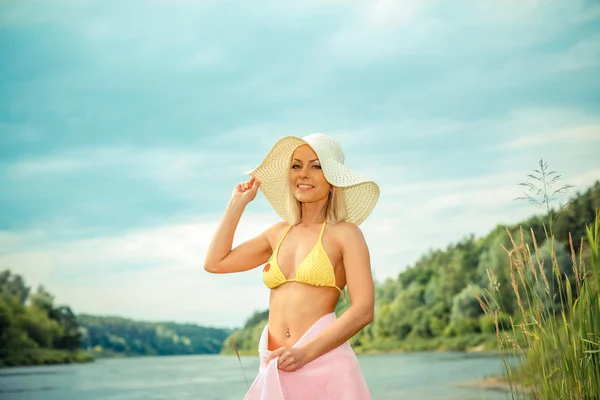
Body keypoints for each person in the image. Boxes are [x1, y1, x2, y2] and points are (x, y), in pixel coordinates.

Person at [204, 133, 380, 399]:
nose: (303, 174)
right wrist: (236, 204)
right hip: (276, 365)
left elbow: (364, 310)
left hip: (323, 363)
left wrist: (304, 353)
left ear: (333, 180)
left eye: (316, 166)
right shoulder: (278, 233)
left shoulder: (345, 234)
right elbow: (215, 263)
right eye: (296, 166)